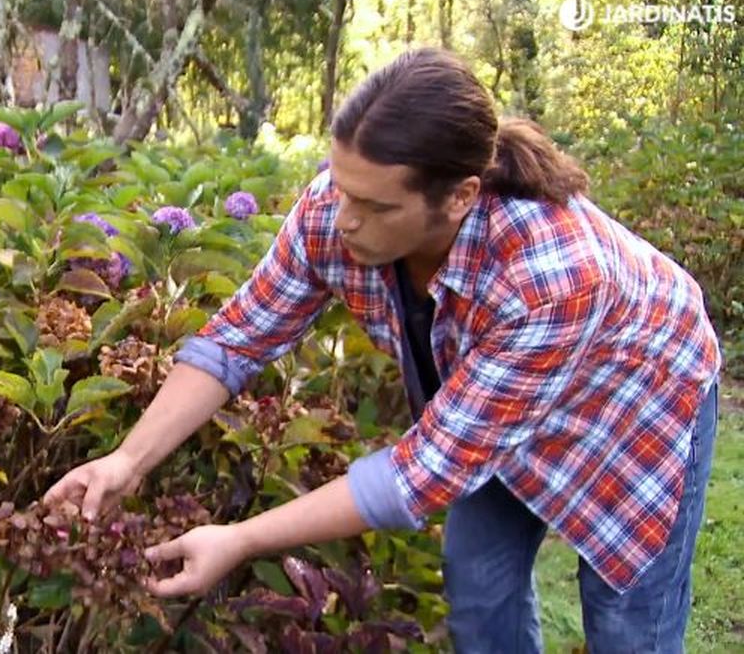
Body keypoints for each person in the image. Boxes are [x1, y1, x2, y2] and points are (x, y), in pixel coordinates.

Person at [44, 47, 721, 653]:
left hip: (636, 400)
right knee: (480, 598)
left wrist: (241, 537)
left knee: (626, 624)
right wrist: (126, 460)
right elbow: (237, 336)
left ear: (460, 197)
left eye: (373, 205)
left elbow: (418, 477)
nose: (344, 219)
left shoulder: (550, 277)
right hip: (494, 401)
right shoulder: (337, 211)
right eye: (341, 188)